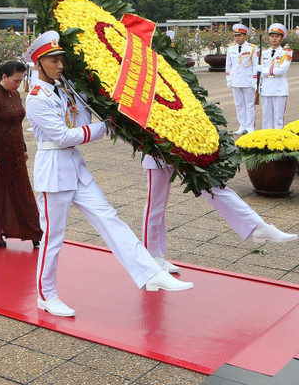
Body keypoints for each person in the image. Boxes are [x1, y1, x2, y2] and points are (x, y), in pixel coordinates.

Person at [24, 30, 193, 319]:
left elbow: (79, 121)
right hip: (54, 170)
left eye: (61, 59)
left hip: (74, 167)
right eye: (53, 60)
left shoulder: (64, 88)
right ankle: (46, 296)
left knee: (109, 217)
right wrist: (108, 126)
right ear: (39, 63)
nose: (60, 65)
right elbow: (65, 136)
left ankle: (150, 273)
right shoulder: (37, 98)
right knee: (54, 237)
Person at [142, 154, 296, 273]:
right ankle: (152, 255)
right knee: (156, 204)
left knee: (214, 187)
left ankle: (256, 226)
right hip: (156, 151)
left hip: (184, 145)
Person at [0, 60, 42, 248]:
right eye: (16, 80)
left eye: (21, 80)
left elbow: (17, 125)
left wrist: (23, 148)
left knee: (22, 191)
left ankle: (32, 230)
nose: (18, 84)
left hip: (15, 152)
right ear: (4, 77)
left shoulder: (14, 94)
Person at [225, 23, 259, 134]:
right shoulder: (231, 49)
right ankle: (242, 126)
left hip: (248, 80)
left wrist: (255, 80)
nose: (237, 38)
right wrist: (228, 79)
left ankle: (250, 126)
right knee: (239, 104)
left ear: (245, 36)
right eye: (236, 36)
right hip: (235, 80)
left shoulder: (252, 48)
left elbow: (255, 65)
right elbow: (228, 65)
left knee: (249, 104)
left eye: (240, 35)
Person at [260, 23, 291, 129]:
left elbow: (281, 71)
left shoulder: (286, 53)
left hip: (279, 88)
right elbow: (256, 69)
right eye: (272, 36)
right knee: (266, 117)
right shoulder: (263, 52)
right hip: (266, 87)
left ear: (281, 38)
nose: (274, 39)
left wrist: (264, 71)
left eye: (277, 36)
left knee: (278, 118)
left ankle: (278, 141)